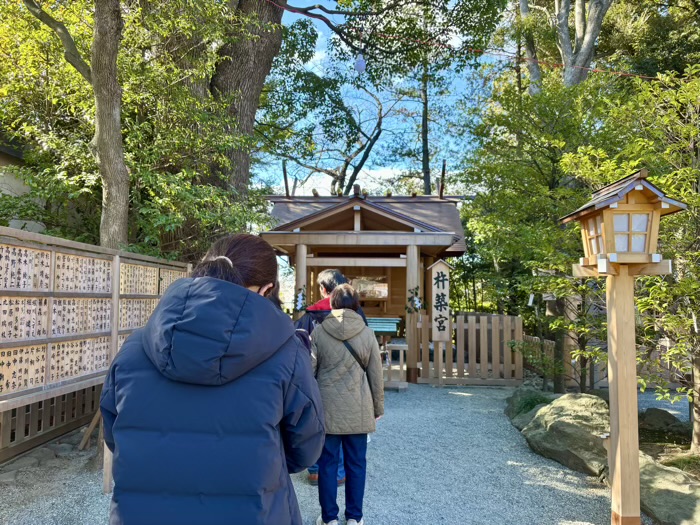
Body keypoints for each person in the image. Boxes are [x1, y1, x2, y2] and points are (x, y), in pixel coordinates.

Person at [100, 234, 325, 525]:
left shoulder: (134, 348)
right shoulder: (288, 353)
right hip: (253, 511)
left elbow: (115, 433)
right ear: (267, 289)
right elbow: (305, 446)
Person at [312, 284, 384, 525]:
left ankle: (329, 518)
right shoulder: (366, 333)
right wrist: (378, 408)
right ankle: (354, 518)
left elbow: (309, 373)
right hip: (358, 408)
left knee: (327, 464)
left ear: (331, 303)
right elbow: (376, 375)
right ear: (356, 305)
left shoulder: (319, 333)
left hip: (327, 409)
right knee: (356, 465)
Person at [296, 269, 367, 485]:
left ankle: (316, 469)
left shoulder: (311, 315)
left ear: (324, 289)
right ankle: (337, 472)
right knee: (342, 425)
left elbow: (298, 344)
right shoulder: (357, 314)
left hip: (317, 378)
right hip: (348, 379)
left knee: (316, 423)